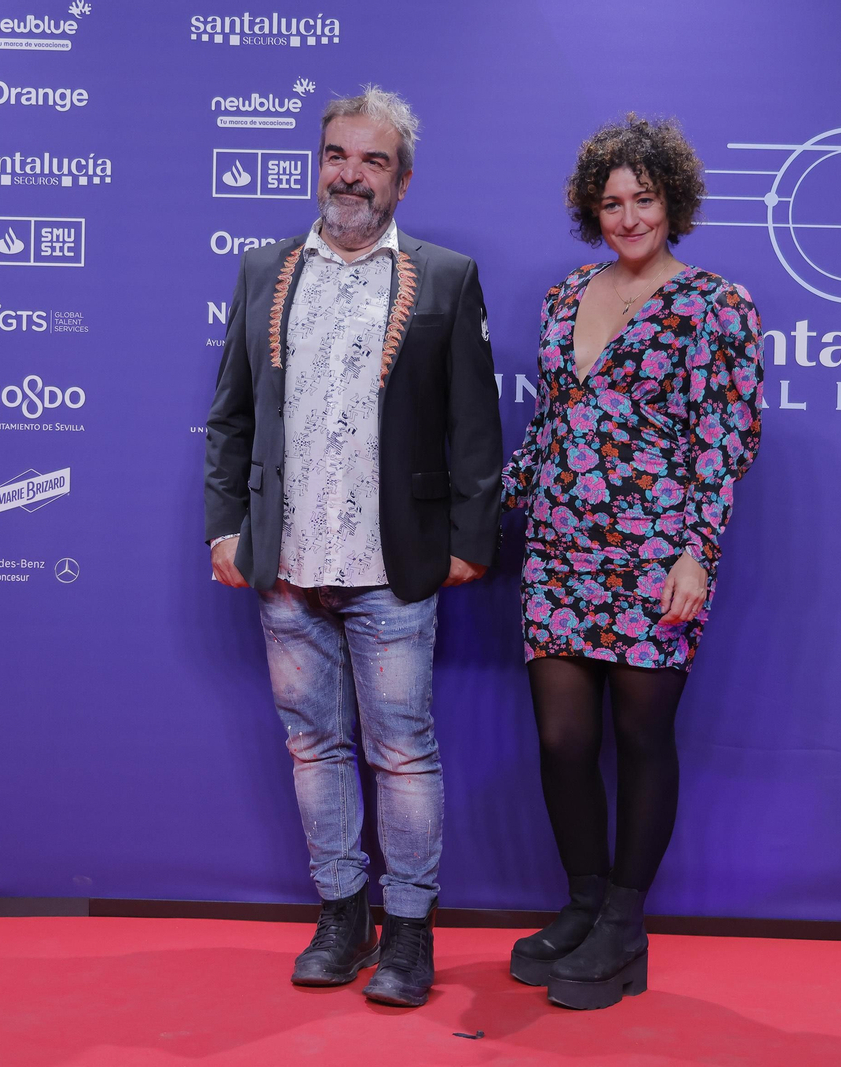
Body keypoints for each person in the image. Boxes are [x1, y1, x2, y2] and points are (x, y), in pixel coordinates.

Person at [204, 86, 502, 1007]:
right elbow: (231, 417)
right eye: (339, 154)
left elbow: (475, 429)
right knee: (313, 747)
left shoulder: (445, 278)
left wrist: (468, 539)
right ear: (318, 162)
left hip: (395, 565)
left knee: (402, 752)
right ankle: (342, 916)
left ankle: (409, 932)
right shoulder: (264, 271)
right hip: (285, 562)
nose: (352, 174)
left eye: (374, 161)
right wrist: (226, 524)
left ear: (402, 180)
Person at [500, 114, 763, 1010]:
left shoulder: (717, 306)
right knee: (563, 740)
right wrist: (488, 509)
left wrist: (698, 553)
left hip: (656, 554)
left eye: (643, 199)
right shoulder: (569, 292)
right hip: (559, 550)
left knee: (642, 737)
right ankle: (580, 903)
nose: (627, 216)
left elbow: (724, 442)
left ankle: (623, 923)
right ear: (590, 209)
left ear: (672, 202)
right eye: (610, 202)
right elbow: (549, 424)